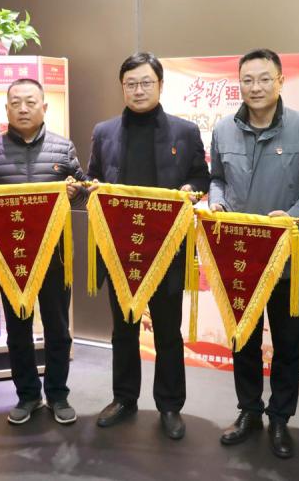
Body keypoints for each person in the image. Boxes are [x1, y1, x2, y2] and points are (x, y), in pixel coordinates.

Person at [209, 49, 299, 458]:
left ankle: (280, 417)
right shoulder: (223, 129)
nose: (255, 87)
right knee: (242, 338)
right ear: (239, 83)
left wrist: (294, 218)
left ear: (280, 81)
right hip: (240, 257)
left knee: (288, 342)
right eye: (248, 80)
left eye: (264, 79)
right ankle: (248, 410)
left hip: (287, 259)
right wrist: (216, 201)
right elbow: (217, 178)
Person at [87, 52, 210, 440]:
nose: (138, 90)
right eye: (131, 84)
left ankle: (170, 406)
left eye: (146, 83)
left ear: (160, 85)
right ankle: (124, 399)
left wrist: (191, 189)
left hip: (167, 249)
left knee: (168, 332)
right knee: (123, 330)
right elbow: (92, 178)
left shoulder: (184, 132)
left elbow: (201, 178)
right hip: (120, 249)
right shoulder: (104, 132)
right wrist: (93, 188)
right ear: (122, 87)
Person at [0, 78, 87, 425]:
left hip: (55, 256)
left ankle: (58, 395)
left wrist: (76, 192)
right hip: (10, 256)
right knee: (17, 330)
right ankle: (27, 395)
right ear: (7, 109)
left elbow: (85, 193)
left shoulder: (63, 148)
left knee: (58, 328)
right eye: (15, 103)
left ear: (44, 107)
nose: (23, 108)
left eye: (30, 102)